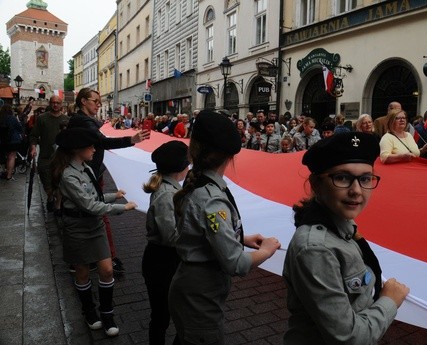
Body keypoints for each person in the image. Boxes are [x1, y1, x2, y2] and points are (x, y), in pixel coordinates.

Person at [283, 132, 410, 344]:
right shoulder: (317, 249)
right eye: (342, 177)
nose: (357, 191)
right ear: (316, 184)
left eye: (365, 178)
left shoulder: (341, 226)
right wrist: (389, 301)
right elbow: (350, 338)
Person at [169, 110, 281, 344]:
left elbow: (202, 233)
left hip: (192, 288)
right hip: (200, 295)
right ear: (230, 155)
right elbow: (235, 264)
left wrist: (242, 239)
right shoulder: (211, 198)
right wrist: (267, 251)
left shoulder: (200, 183)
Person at [50, 127, 137, 337]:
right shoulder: (68, 175)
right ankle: (89, 311)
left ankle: (107, 313)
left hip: (94, 226)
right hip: (77, 227)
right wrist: (122, 208)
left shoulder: (86, 167)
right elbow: (89, 205)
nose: (94, 148)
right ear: (77, 149)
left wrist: (112, 195)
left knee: (106, 270)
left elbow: (94, 197)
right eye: (90, 145)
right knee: (82, 271)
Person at [67, 87, 150, 274]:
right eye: (95, 101)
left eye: (99, 101)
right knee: (97, 216)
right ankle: (104, 258)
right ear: (83, 101)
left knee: (92, 216)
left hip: (91, 172)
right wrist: (131, 139)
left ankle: (94, 257)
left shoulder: (85, 121)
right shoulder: (84, 122)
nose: (98, 104)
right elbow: (103, 142)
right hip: (89, 174)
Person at [142, 141, 190, 345]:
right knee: (163, 315)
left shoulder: (169, 188)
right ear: (180, 168)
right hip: (163, 261)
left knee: (168, 313)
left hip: (165, 259)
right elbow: (171, 236)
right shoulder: (167, 194)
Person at [29, 96, 69, 210]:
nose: (55, 105)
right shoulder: (42, 118)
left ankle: (57, 203)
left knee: (60, 182)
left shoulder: (66, 119)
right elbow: (34, 135)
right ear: (50, 104)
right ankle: (51, 197)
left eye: (58, 103)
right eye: (53, 102)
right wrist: (33, 148)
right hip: (45, 156)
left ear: (61, 104)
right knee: (45, 179)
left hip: (61, 157)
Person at [0, 105, 24, 181]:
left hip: (2, 141)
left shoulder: (1, 118)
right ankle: (9, 175)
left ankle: (3, 171)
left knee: (4, 156)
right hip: (13, 141)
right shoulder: (13, 118)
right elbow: (20, 129)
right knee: (11, 157)